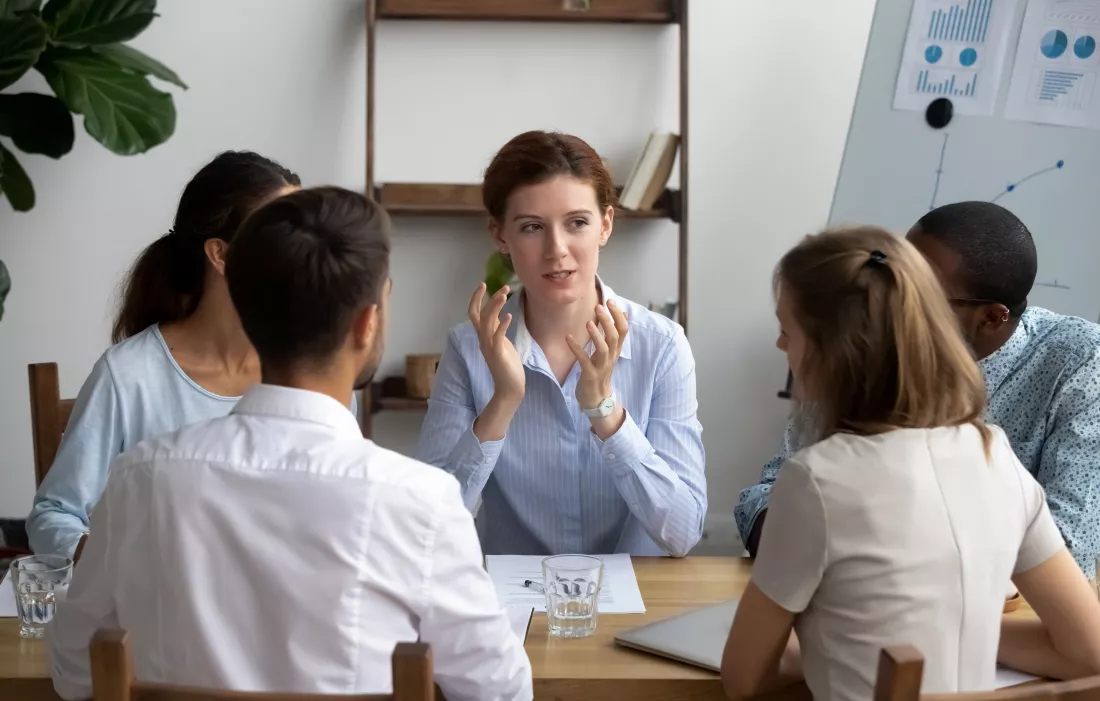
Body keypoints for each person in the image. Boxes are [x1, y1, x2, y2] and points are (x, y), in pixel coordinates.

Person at [47, 187, 533, 701]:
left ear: (248, 314)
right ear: (367, 324)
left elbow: (75, 672)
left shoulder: (139, 478)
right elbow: (499, 693)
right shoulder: (421, 503)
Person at [720, 226, 1100, 701]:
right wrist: (958, 632)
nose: (780, 348)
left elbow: (743, 678)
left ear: (829, 352)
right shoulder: (995, 454)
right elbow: (1089, 652)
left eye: (785, 331)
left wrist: (835, 644)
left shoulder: (816, 480)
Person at [735, 202, 1100, 576]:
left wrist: (853, 543)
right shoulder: (867, 345)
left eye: (920, 294)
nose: (892, 302)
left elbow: (1070, 547)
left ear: (991, 317)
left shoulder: (1080, 362)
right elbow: (767, 496)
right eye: (893, 278)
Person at [416, 130, 706, 556]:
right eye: (532, 227)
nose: (557, 250)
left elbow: (682, 533)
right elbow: (427, 526)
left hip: (638, 604)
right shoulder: (468, 349)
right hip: (514, 609)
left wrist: (606, 414)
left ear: (605, 225)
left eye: (577, 223)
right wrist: (504, 402)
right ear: (500, 236)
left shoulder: (661, 346)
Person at [25, 151, 317, 560]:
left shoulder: (315, 371)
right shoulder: (128, 377)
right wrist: (115, 562)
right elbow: (55, 515)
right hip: (156, 615)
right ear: (221, 254)